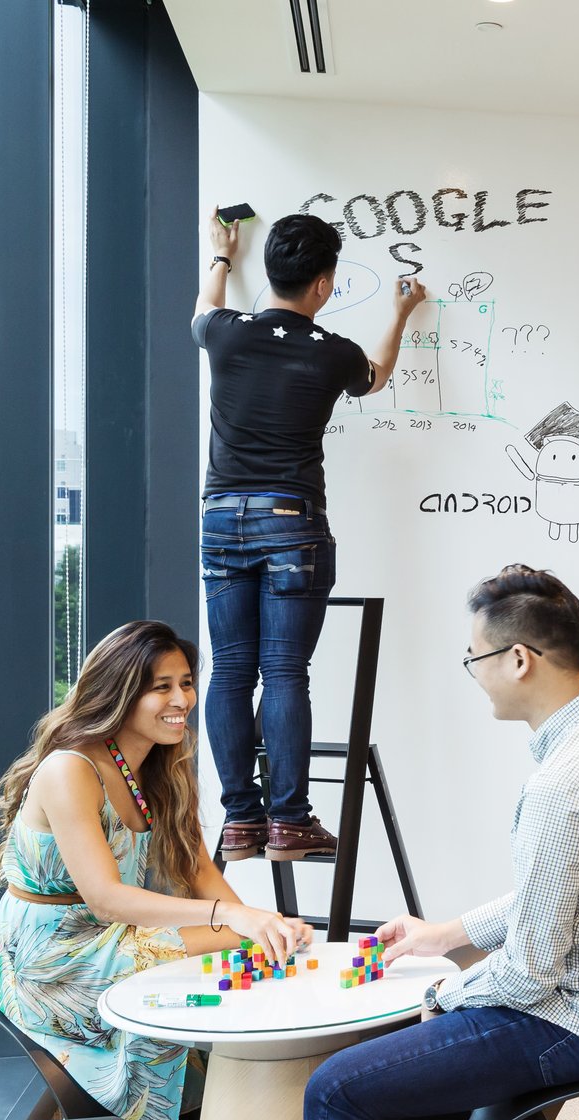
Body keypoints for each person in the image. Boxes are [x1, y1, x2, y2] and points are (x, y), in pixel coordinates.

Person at [303, 567, 579, 1120]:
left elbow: (527, 974)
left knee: (333, 1089)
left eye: (474, 659)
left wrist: (446, 993)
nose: (473, 675)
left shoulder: (564, 784)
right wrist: (443, 934)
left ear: (519, 660)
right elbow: (566, 896)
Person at [0, 621, 313, 1120]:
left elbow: (194, 866)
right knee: (230, 945)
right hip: (52, 957)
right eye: (161, 687)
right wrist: (232, 919)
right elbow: (105, 899)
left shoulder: (160, 765)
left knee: (260, 945)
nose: (181, 698)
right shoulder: (70, 769)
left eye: (185, 683)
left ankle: (251, 1102)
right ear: (118, 693)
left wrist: (258, 920)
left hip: (111, 937)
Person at [194, 208, 428, 863]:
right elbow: (376, 376)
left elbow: (204, 304)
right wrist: (402, 313)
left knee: (232, 672)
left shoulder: (224, 334)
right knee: (284, 671)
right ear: (323, 286)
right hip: (291, 521)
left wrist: (220, 254)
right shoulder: (332, 355)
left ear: (268, 272)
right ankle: (290, 822)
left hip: (219, 517)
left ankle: (241, 823)